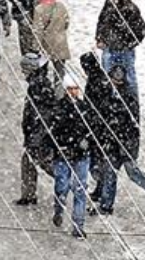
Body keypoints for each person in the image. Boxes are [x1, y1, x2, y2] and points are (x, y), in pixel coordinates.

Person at [92, 63, 145, 216]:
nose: (114, 83)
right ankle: (106, 205)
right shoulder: (107, 93)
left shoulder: (128, 96)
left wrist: (122, 133)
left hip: (126, 142)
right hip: (113, 141)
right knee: (110, 172)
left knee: (133, 173)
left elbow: (132, 122)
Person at [50, 74, 92, 239]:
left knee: (80, 190)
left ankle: (78, 225)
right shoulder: (58, 109)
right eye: (70, 89)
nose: (73, 92)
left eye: (75, 89)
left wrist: (86, 142)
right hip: (64, 154)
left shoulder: (85, 109)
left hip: (80, 155)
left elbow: (92, 131)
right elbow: (53, 132)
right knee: (62, 186)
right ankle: (59, 209)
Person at [16, 52, 58, 206]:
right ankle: (28, 195)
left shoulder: (38, 86)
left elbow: (42, 113)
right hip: (37, 133)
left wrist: (36, 136)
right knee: (30, 162)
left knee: (44, 164)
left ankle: (73, 184)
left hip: (39, 135)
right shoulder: (38, 83)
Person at [94, 0, 145, 93]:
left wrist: (129, 44)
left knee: (129, 77)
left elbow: (141, 30)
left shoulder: (130, 8)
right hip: (109, 47)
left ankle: (132, 101)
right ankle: (108, 100)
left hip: (125, 50)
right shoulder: (108, 4)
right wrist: (99, 38)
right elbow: (101, 22)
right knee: (107, 76)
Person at [32, 0, 70, 77]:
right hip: (60, 44)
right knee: (60, 74)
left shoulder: (39, 9)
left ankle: (44, 90)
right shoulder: (61, 6)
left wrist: (36, 47)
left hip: (46, 45)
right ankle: (59, 91)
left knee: (41, 73)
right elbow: (66, 23)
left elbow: (38, 30)